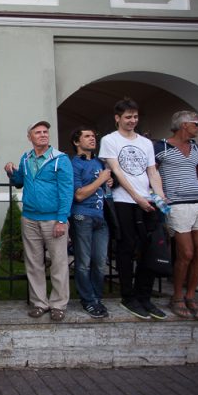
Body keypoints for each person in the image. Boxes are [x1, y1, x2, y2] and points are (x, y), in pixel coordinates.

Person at [98, 98, 168, 321]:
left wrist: (159, 196)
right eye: (127, 117)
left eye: (135, 117)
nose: (132, 121)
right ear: (117, 118)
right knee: (126, 248)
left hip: (148, 201)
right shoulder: (110, 140)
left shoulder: (146, 143)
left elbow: (152, 171)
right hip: (123, 201)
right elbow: (117, 171)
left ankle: (144, 296)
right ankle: (128, 296)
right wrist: (136, 197)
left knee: (150, 249)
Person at [5, 121, 73, 321]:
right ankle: (39, 303)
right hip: (30, 217)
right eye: (38, 132)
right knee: (34, 263)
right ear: (30, 137)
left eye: (45, 132)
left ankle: (58, 304)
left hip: (53, 219)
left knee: (59, 263)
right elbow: (19, 182)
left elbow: (66, 191)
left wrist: (62, 220)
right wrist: (11, 171)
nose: (43, 135)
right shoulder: (26, 158)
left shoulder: (60, 159)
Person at [154, 111, 198, 320]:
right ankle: (177, 295)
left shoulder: (197, 149)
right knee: (185, 253)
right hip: (177, 205)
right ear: (183, 125)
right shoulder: (160, 147)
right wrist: (160, 197)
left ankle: (191, 296)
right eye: (195, 124)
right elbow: (151, 173)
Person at [70, 127, 112, 318]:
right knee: (83, 262)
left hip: (100, 217)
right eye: (87, 136)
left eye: (94, 136)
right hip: (82, 216)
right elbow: (78, 195)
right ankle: (88, 300)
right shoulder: (74, 164)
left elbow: (105, 188)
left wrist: (109, 183)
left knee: (100, 261)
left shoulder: (99, 162)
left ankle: (96, 297)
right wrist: (101, 179)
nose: (92, 139)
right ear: (77, 142)